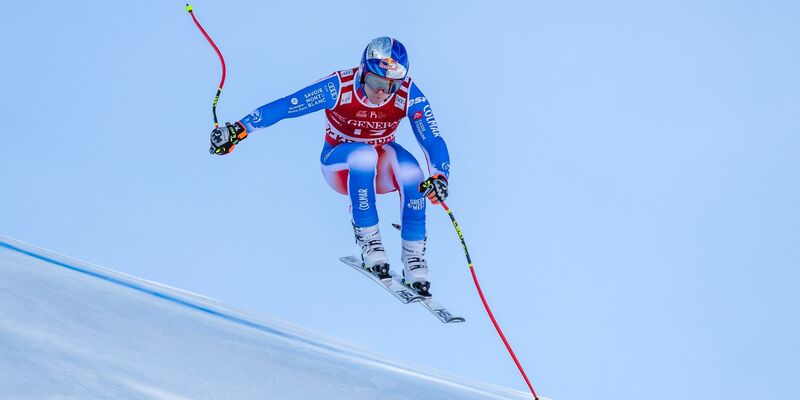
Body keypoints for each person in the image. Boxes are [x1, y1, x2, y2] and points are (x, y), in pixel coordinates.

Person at [209, 37, 449, 296]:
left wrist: (441, 177)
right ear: (362, 72)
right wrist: (239, 129)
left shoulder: (407, 94)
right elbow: (286, 106)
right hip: (340, 165)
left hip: (380, 169)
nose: (382, 92)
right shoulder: (339, 87)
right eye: (376, 82)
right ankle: (370, 239)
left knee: (413, 172)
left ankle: (414, 258)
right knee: (364, 155)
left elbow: (432, 138)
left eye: (391, 86)